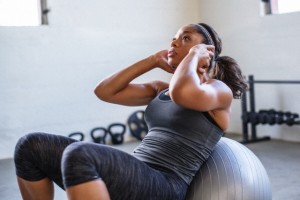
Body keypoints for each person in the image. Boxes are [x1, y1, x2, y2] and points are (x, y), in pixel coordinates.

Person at [14, 23, 248, 200]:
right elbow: (105, 91)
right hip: (134, 171)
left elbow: (184, 93)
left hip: (166, 185)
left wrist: (196, 55)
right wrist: (153, 60)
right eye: (173, 39)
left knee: (80, 154)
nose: (174, 44)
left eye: (185, 39)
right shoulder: (161, 89)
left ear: (208, 50)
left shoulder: (218, 91)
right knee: (30, 146)